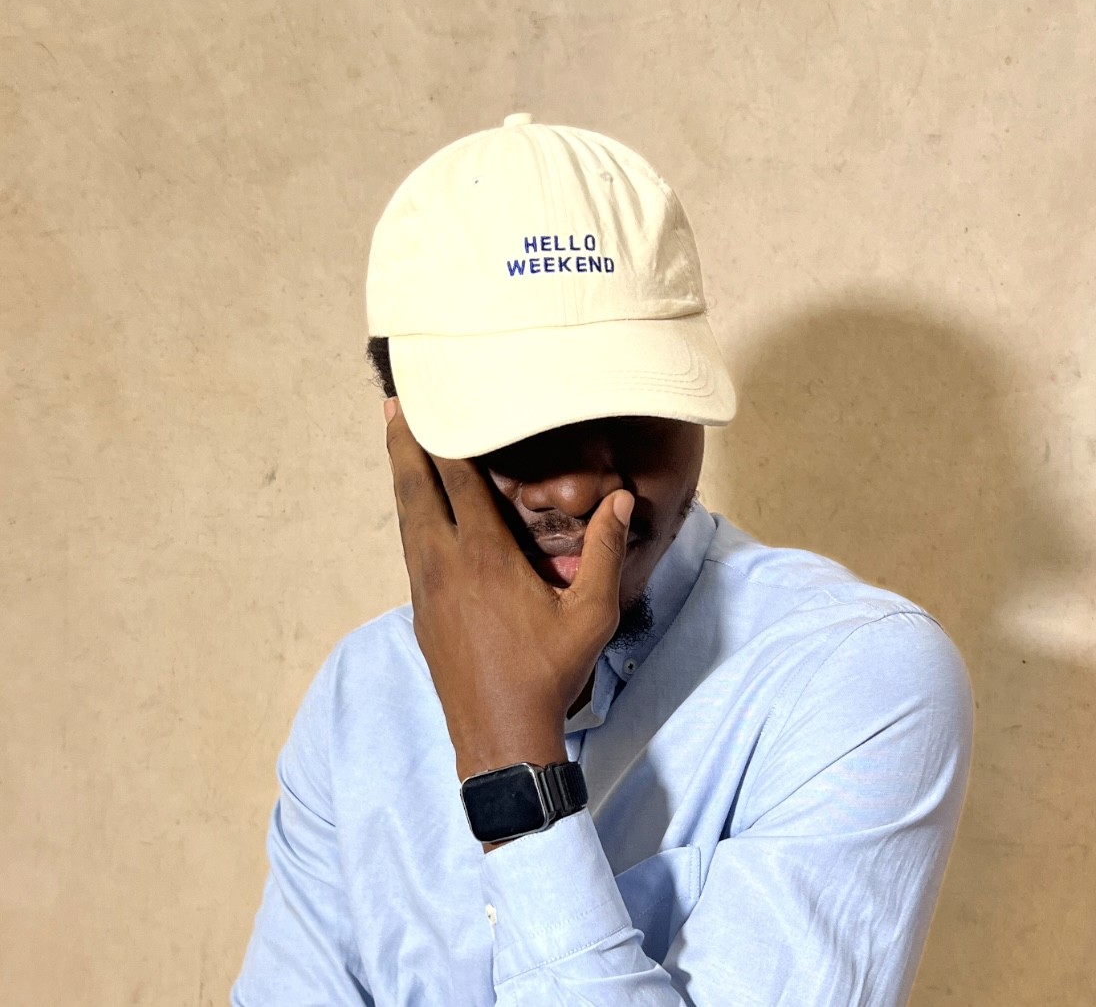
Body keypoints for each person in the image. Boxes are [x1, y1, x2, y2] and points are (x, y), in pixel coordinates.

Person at [232, 113, 972, 1005]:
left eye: (632, 408)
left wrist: (514, 767)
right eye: (517, 426)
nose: (581, 489)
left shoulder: (851, 676)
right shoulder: (361, 699)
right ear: (405, 430)